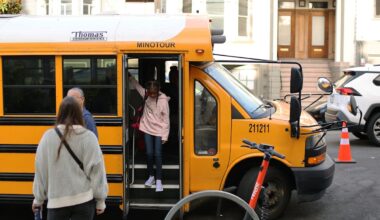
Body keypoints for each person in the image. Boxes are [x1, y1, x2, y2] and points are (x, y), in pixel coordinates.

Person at [32, 96, 108, 220]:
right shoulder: (89, 137)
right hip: (84, 201)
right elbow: (97, 170)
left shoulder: (47, 137)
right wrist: (100, 200)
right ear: (79, 114)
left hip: (56, 203)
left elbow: (41, 171)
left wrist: (38, 199)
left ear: (60, 113)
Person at [129, 75, 170, 192]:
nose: (152, 95)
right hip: (147, 128)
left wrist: (165, 136)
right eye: (150, 93)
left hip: (159, 130)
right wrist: (130, 77)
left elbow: (166, 119)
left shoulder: (163, 101)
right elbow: (137, 86)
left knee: (158, 154)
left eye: (154, 93)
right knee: (149, 153)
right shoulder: (145, 94)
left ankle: (159, 180)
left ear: (158, 91)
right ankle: (151, 176)